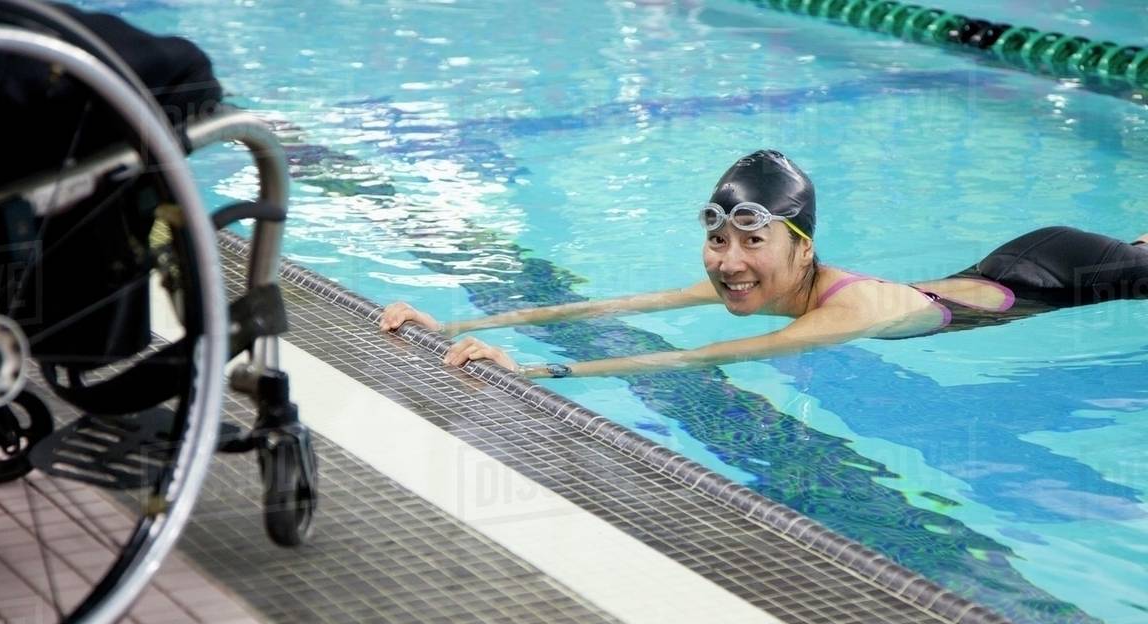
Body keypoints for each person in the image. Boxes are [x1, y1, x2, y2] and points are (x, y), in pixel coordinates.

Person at [379, 150, 1148, 378]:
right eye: (718, 239)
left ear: (800, 247)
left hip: (1061, 279)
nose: (731, 262)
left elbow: (718, 355)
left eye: (753, 239)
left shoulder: (849, 309)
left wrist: (541, 375)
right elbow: (613, 308)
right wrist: (451, 322)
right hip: (1014, 259)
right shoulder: (762, 280)